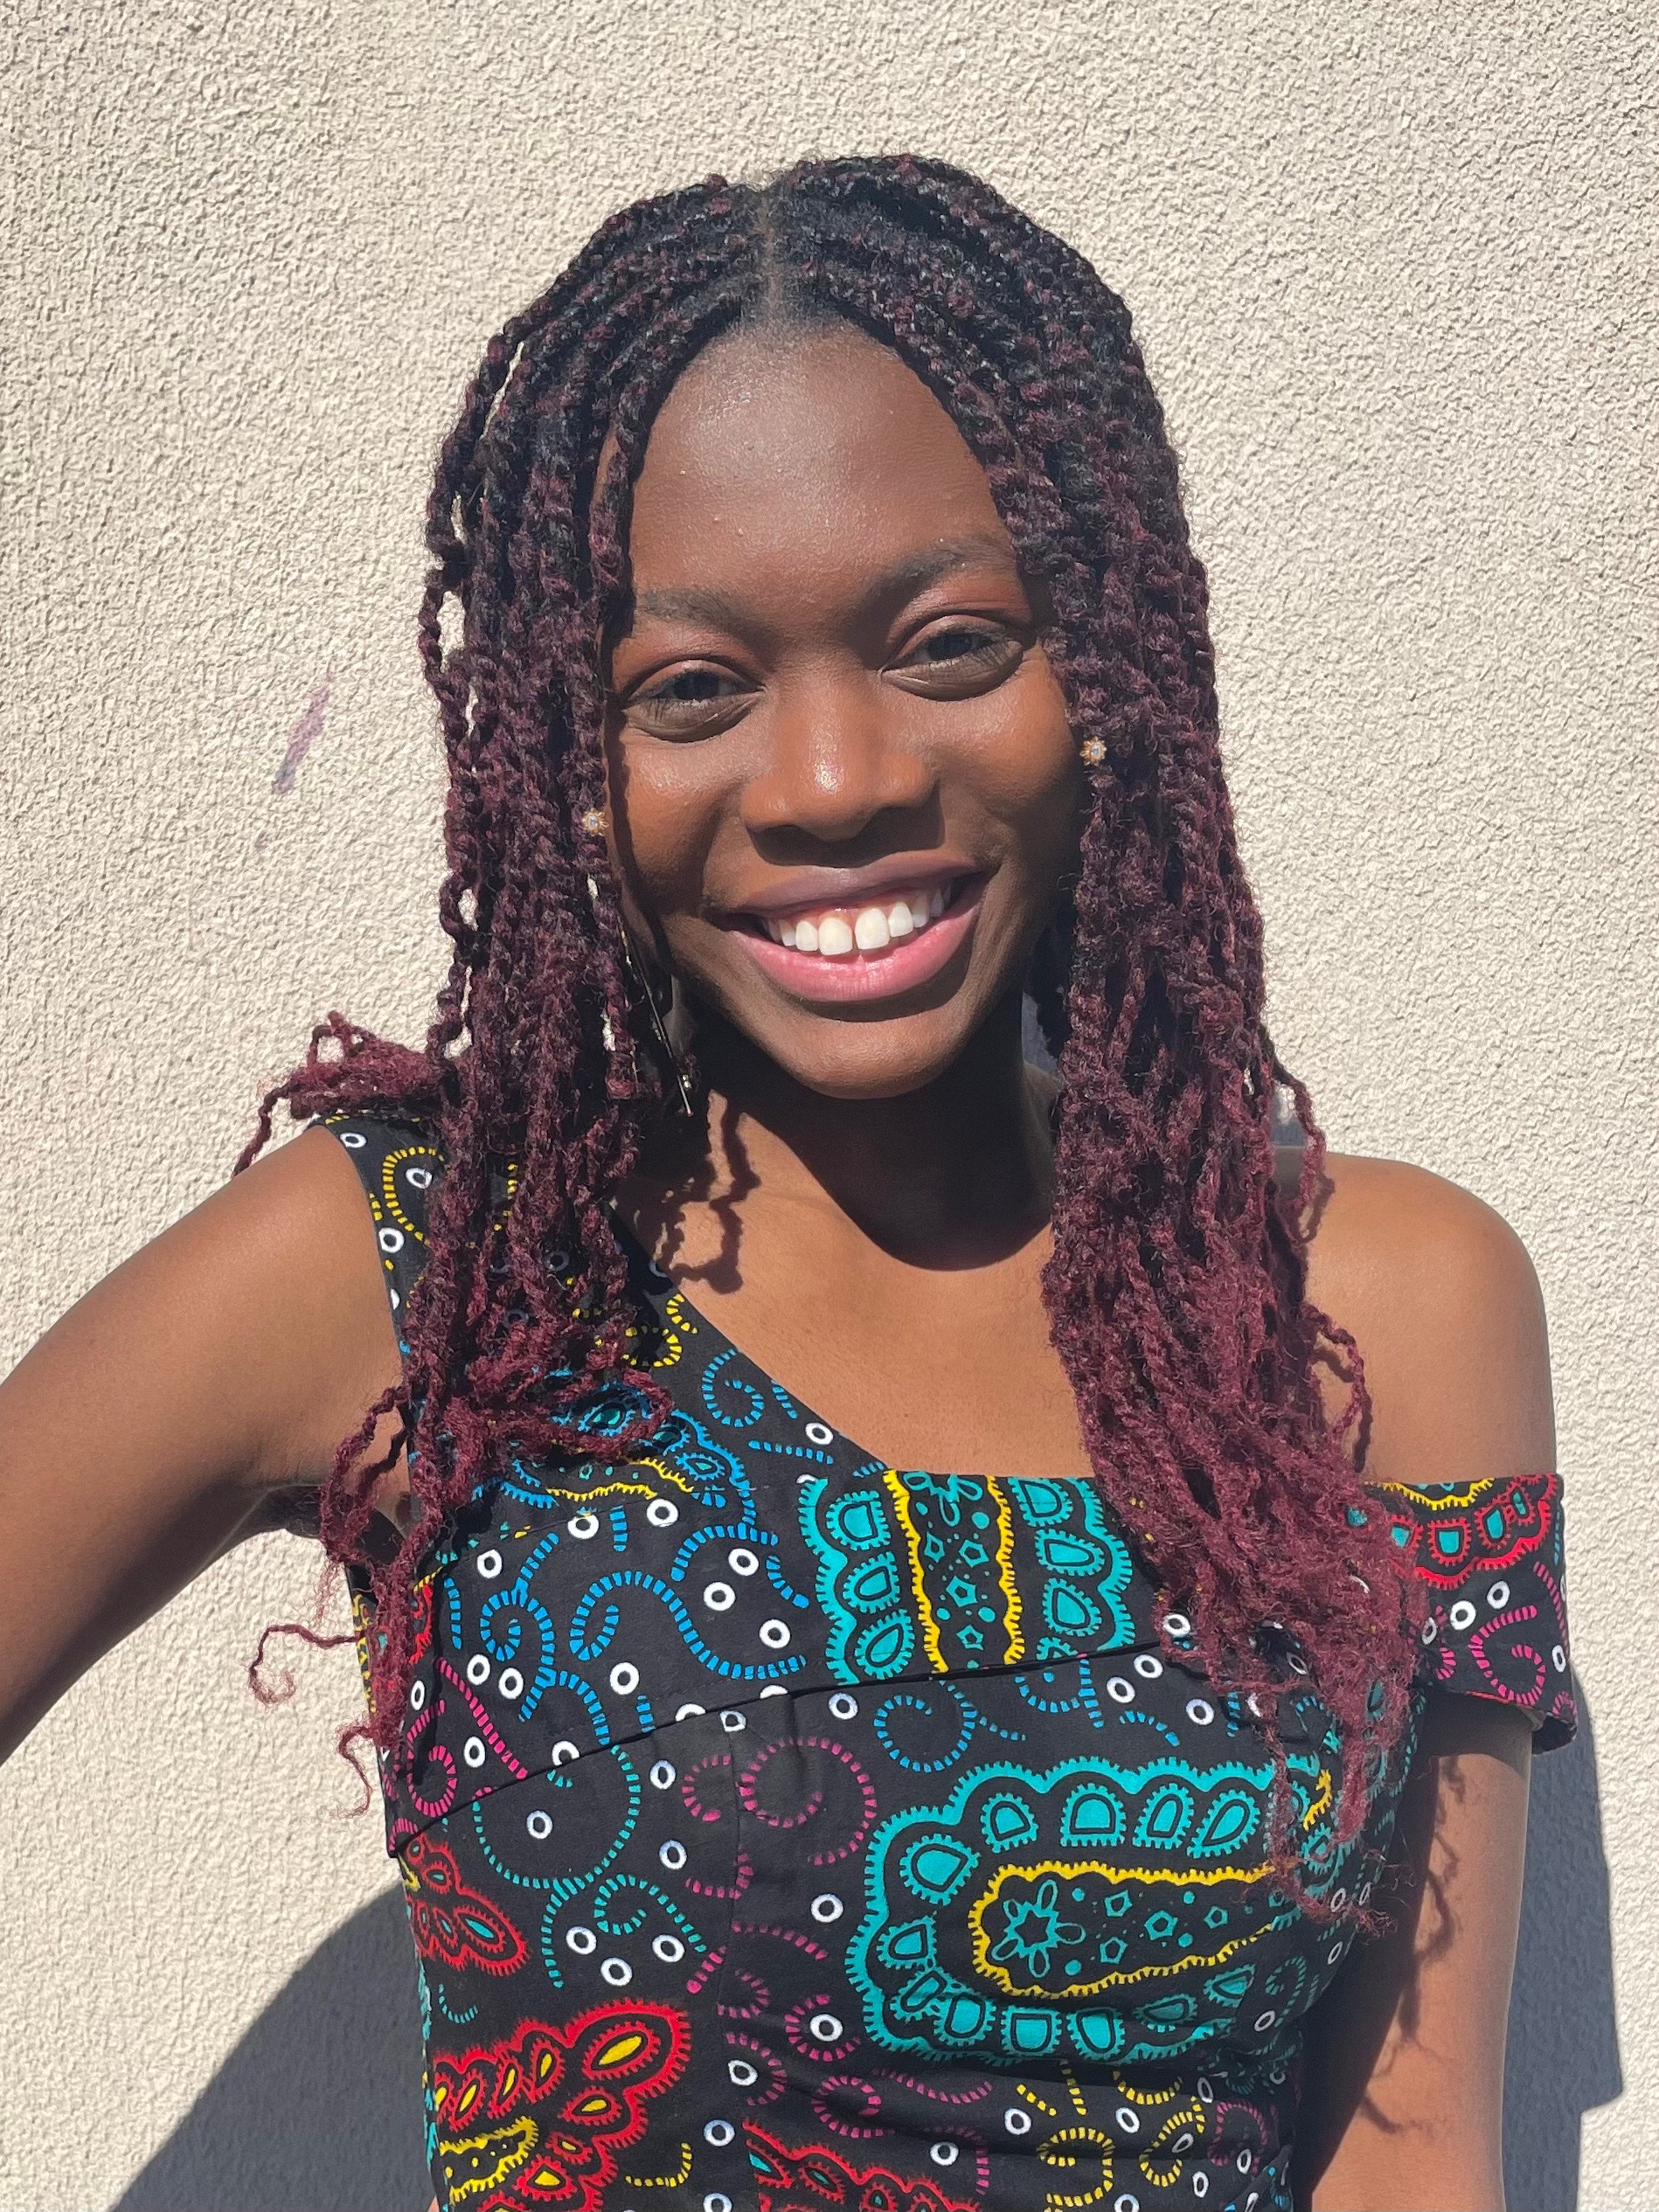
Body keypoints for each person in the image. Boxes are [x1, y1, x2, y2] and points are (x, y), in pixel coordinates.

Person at [0, 156, 1573, 2212]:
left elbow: (1413, 2164)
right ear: (565, 748)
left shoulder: (1385, 1302)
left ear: (1103, 669)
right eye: (692, 688)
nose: (834, 779)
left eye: (947, 644)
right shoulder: (426, 1267)